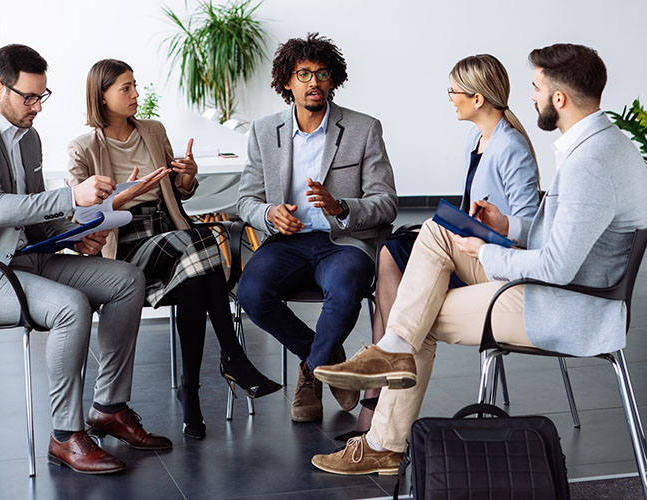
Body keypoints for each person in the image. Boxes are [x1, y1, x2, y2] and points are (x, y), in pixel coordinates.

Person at [310, 43, 647, 475]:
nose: (531, 97)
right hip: (560, 291)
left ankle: (383, 440)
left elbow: (557, 267)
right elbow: (562, 235)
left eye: (536, 87)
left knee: (419, 318)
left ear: (558, 99)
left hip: (558, 305)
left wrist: (488, 251)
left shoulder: (589, 165)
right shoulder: (609, 146)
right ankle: (391, 358)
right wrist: (507, 226)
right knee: (437, 232)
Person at [0, 44, 172, 475]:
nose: (38, 106)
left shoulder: (28, 137)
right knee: (69, 307)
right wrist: (72, 196)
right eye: (29, 97)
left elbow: (34, 215)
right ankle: (64, 435)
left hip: (24, 259)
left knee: (127, 279)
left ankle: (109, 407)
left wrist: (75, 237)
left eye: (43, 96)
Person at [66, 59, 281, 440]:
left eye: (136, 85)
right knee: (203, 243)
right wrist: (120, 197)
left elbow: (177, 192)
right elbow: (80, 215)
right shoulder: (82, 148)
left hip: (172, 234)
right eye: (125, 88)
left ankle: (192, 395)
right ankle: (233, 358)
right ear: (102, 96)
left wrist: (187, 177)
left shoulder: (153, 130)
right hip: (127, 241)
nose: (136, 94)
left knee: (197, 281)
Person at [344, 54, 541, 440]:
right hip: (471, 248)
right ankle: (385, 372)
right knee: (393, 251)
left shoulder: (511, 147)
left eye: (453, 91)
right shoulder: (477, 138)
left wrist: (496, 223)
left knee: (409, 268)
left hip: (498, 261)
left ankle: (383, 383)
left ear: (478, 98)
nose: (450, 98)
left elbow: (532, 228)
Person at [236, 33, 398, 423]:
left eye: (321, 74)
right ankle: (326, 357)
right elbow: (246, 201)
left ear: (332, 79)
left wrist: (341, 206)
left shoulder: (363, 129)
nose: (313, 82)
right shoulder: (263, 132)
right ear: (287, 82)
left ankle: (310, 373)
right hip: (287, 242)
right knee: (251, 294)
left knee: (345, 291)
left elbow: (387, 202)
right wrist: (271, 213)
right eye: (303, 74)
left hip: (343, 242)